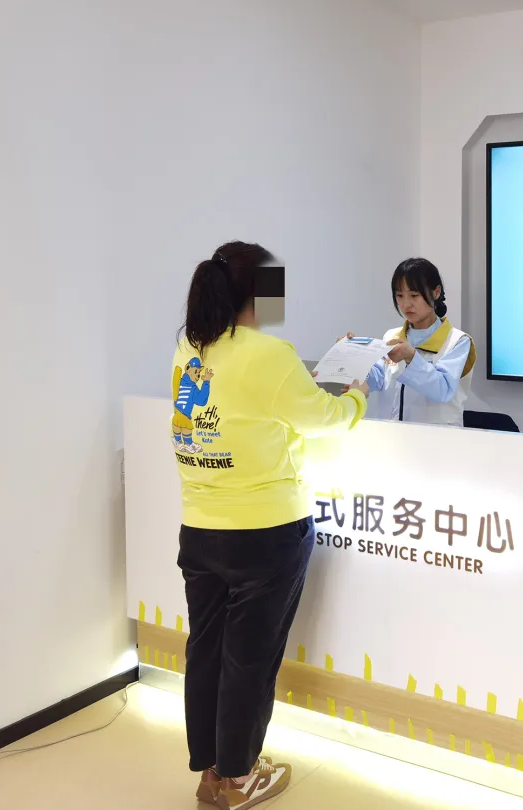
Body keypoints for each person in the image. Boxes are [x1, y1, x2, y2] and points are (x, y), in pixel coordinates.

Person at [171, 241, 367, 810]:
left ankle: (212, 771)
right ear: (258, 293)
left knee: (207, 651)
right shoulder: (271, 353)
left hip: (199, 528)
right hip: (265, 532)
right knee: (249, 661)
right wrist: (356, 398)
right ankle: (238, 780)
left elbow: (223, 414)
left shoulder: (190, 346)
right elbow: (323, 417)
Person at [349, 257, 476, 426]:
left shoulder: (458, 341)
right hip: (392, 435)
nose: (406, 304)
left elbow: (443, 390)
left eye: (414, 295)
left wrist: (411, 358)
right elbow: (379, 377)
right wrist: (355, 355)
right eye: (399, 295)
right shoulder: (391, 336)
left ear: (436, 292)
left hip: (437, 438)